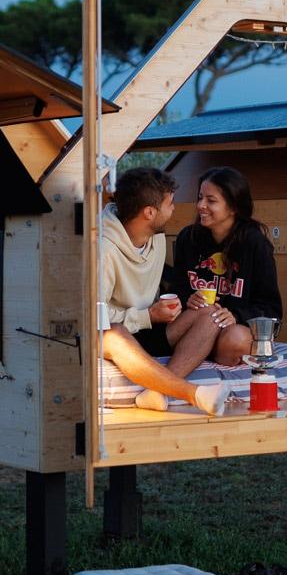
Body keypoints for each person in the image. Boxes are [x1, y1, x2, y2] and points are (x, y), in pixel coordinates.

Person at [98, 166, 224, 415]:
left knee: (211, 315)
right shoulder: (103, 250)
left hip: (149, 327)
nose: (174, 209)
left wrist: (169, 309)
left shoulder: (156, 238)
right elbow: (93, 316)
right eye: (170, 203)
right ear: (149, 212)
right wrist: (147, 316)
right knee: (113, 332)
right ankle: (193, 394)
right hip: (115, 333)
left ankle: (155, 392)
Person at [163, 165, 282, 377]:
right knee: (206, 317)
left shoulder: (255, 244)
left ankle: (190, 360)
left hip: (231, 332)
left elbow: (271, 309)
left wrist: (236, 315)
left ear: (234, 206)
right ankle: (181, 366)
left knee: (236, 339)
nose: (201, 205)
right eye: (200, 197)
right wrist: (187, 298)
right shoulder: (187, 238)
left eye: (211, 200)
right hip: (195, 324)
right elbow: (177, 288)